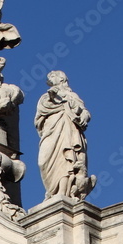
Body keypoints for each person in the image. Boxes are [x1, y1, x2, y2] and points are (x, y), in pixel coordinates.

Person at [34, 71, 96, 201]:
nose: (49, 80)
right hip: (51, 131)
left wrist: (84, 115)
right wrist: (53, 98)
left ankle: (63, 192)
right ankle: (54, 191)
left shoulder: (71, 96)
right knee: (43, 161)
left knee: (66, 160)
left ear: (61, 79)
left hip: (67, 131)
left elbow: (84, 111)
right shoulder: (46, 97)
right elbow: (41, 112)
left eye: (52, 77)